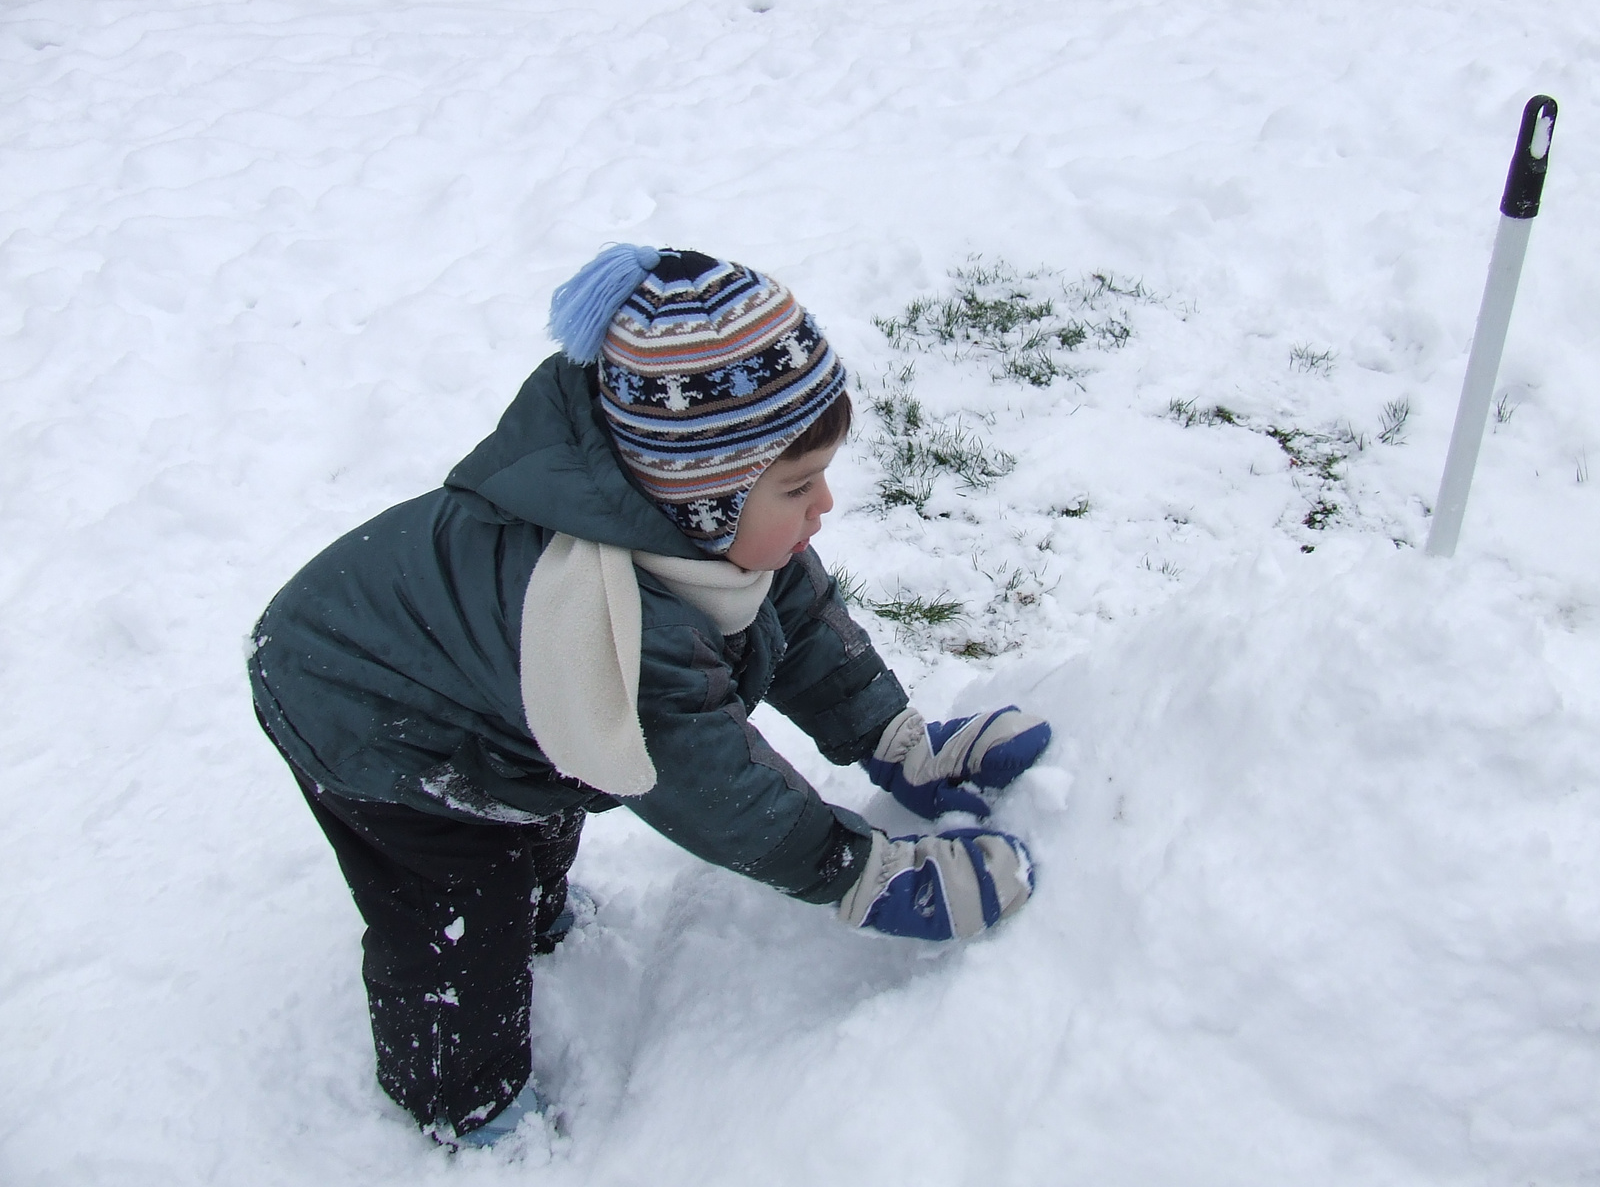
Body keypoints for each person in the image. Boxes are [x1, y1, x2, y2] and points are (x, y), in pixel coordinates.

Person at [248, 245, 1051, 1148]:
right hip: (366, 709)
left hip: (471, 676)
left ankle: (540, 912)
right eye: (797, 486)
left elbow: (803, 626)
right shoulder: (609, 624)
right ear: (702, 497)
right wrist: (861, 872)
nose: (825, 503)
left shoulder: (710, 532)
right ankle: (461, 1099)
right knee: (458, 903)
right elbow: (712, 789)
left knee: (542, 800)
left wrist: (896, 740)